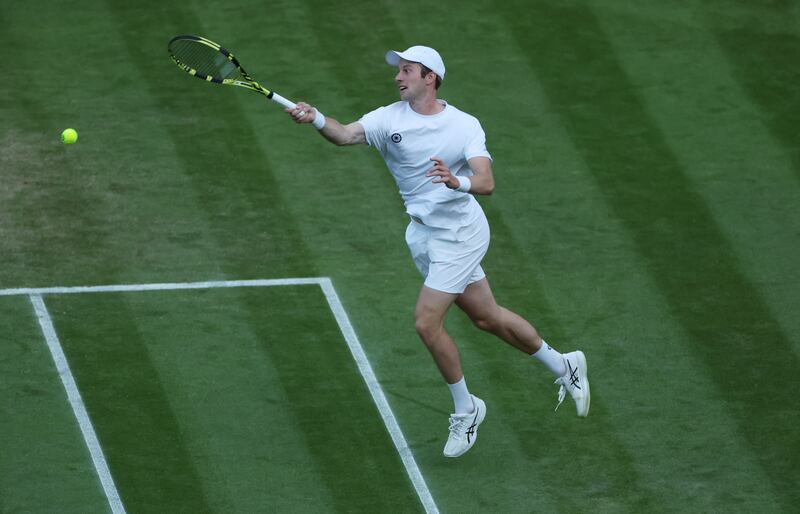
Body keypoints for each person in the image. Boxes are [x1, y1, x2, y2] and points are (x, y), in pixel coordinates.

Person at [286, 46, 590, 458]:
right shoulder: (387, 118)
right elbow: (345, 134)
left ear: (430, 77)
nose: (398, 77)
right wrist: (316, 118)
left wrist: (456, 182)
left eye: (407, 71)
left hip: (461, 233)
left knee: (426, 323)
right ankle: (564, 364)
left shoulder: (464, 126)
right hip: (424, 236)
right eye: (399, 71)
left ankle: (467, 409)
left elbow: (486, 182)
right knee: (486, 317)